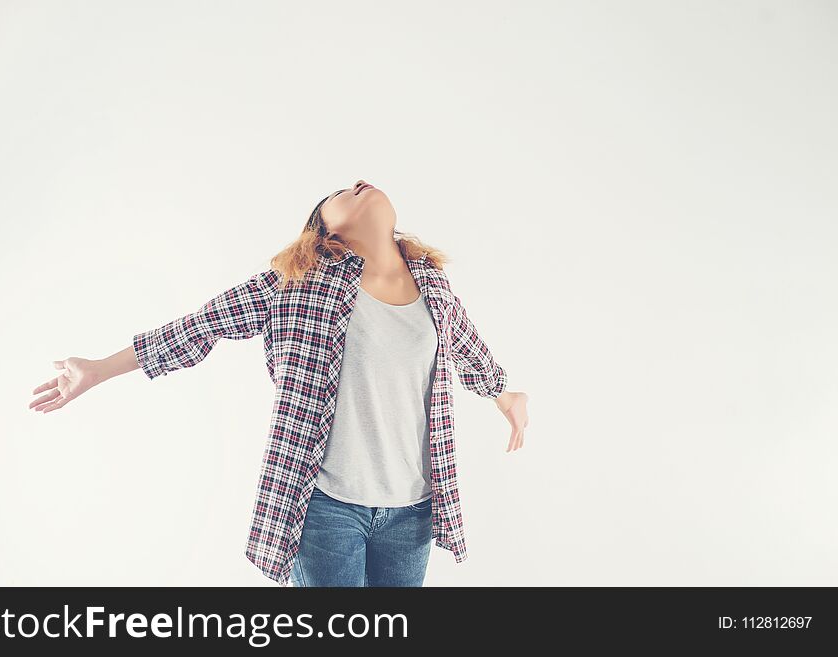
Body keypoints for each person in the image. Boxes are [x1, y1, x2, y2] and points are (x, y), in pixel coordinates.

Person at [28, 179, 530, 587]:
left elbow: (469, 349)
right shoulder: (296, 281)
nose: (358, 184)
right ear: (325, 230)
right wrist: (97, 369)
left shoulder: (434, 285)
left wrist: (507, 395)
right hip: (326, 507)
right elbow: (199, 326)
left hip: (414, 509)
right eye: (341, 191)